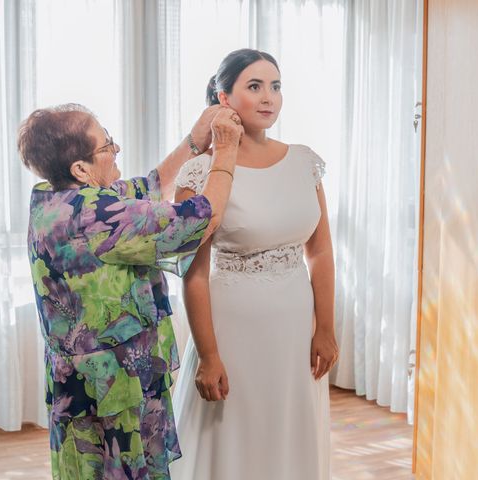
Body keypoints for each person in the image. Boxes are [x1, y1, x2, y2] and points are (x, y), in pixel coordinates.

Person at [18, 102, 243, 479]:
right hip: (114, 384)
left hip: (77, 379)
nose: (116, 150)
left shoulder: (52, 198)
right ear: (81, 169)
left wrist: (193, 141)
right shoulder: (97, 215)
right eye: (107, 146)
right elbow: (204, 217)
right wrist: (226, 150)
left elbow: (150, 186)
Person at [171, 49, 339, 480]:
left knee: (288, 430)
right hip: (233, 330)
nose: (269, 97)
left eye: (276, 86)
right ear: (224, 99)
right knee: (232, 436)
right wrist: (208, 356)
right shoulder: (199, 173)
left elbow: (319, 251)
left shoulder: (304, 163)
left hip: (294, 330)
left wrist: (325, 327)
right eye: (254, 86)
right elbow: (195, 272)